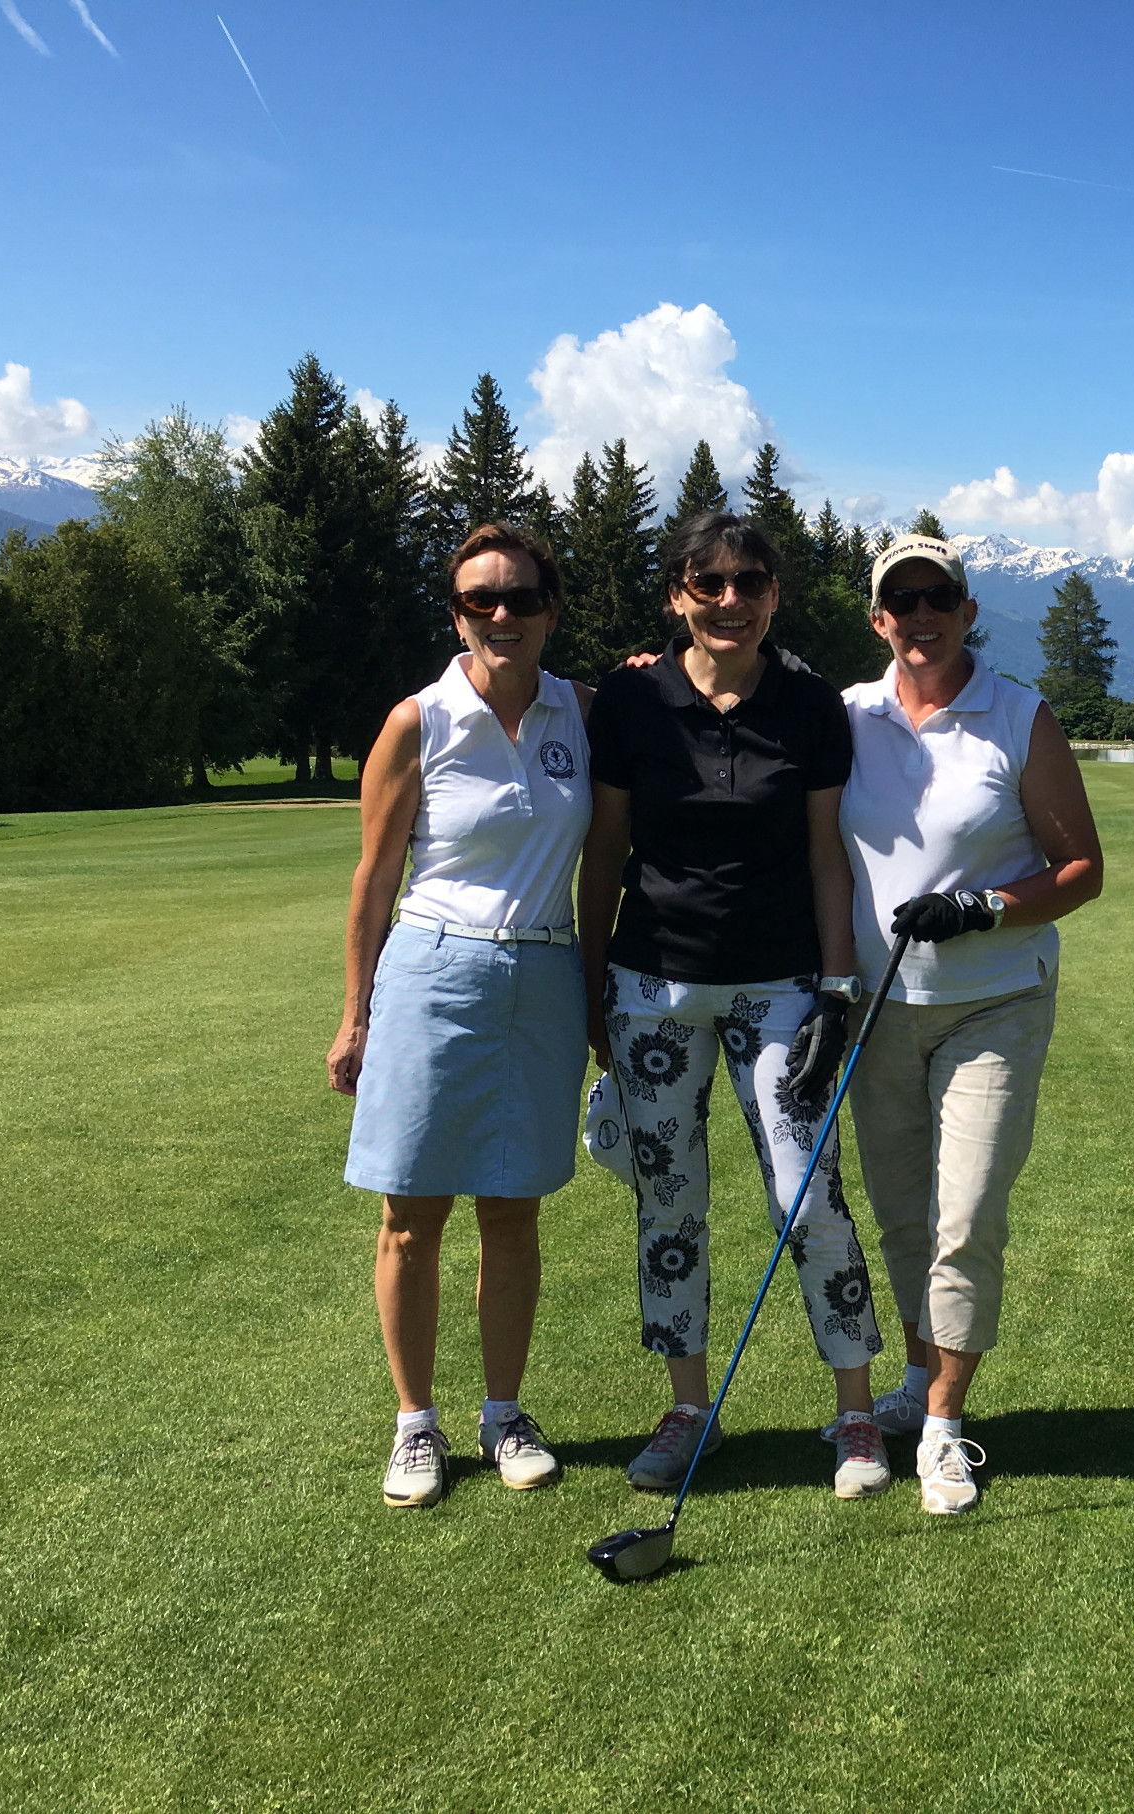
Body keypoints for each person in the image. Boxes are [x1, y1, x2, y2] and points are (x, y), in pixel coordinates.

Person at [578, 511, 891, 1502]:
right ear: (677, 593)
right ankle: (687, 1409)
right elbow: (605, 849)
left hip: (780, 986)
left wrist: (837, 986)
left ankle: (854, 1411)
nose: (729, 600)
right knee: (669, 1203)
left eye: (749, 581)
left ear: (773, 594)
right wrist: (591, 984)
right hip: (650, 986)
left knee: (808, 1196)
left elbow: (825, 853)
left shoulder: (808, 702)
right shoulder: (630, 697)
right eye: (707, 583)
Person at [838, 533, 1104, 1514]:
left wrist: (982, 906)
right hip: (878, 1008)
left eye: (937, 596)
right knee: (904, 1216)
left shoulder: (1017, 716)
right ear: (879, 619)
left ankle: (944, 1425)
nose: (921, 614)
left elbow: (1081, 869)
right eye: (901, 600)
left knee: (967, 1215)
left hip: (995, 1001)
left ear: (967, 610)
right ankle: (918, 1379)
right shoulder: (847, 715)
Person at [330, 522, 592, 1509]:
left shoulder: (583, 710)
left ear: (550, 612)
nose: (500, 614)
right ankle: (414, 1424)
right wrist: (354, 1016)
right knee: (412, 1213)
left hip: (546, 974)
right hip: (433, 974)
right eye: (480, 599)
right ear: (456, 615)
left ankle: (503, 1412)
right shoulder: (419, 720)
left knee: (513, 1210)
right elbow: (373, 877)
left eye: (521, 597)